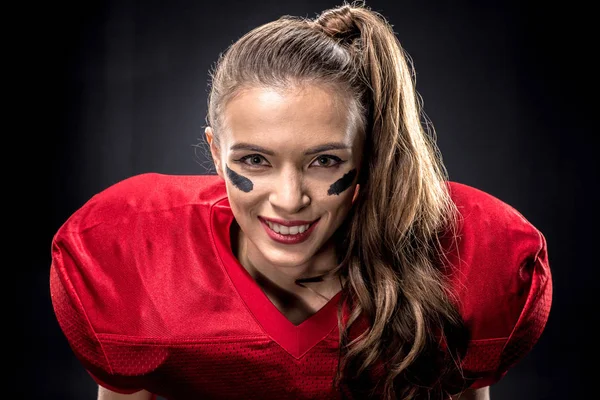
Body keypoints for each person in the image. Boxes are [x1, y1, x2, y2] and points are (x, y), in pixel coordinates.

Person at [49, 2, 552, 399]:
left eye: (324, 161)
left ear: (367, 155)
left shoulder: (465, 259)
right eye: (254, 161)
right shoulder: (134, 260)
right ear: (215, 150)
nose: (289, 200)